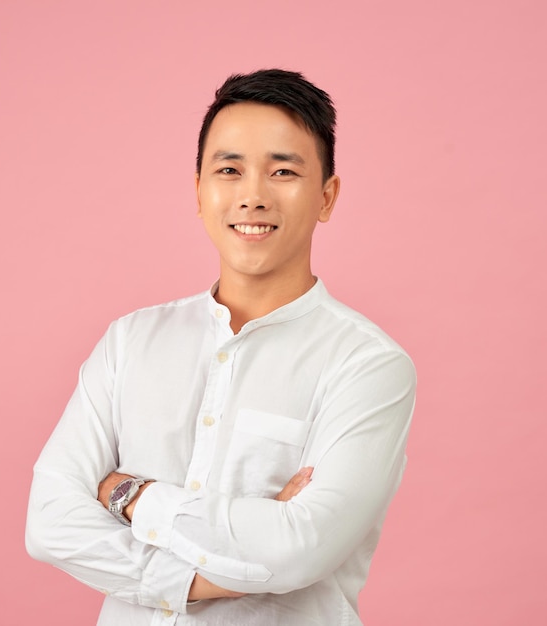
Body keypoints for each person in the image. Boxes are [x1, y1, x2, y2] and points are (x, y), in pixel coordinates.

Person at [26, 69, 416, 625]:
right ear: (199, 192)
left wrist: (129, 495)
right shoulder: (130, 341)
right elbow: (48, 523)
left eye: (283, 171)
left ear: (327, 197)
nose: (252, 195)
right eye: (229, 170)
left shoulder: (367, 365)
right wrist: (203, 580)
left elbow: (300, 548)